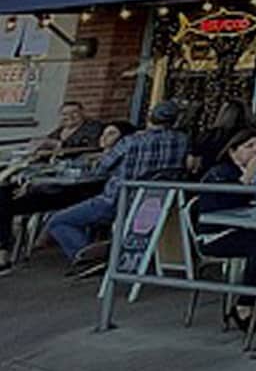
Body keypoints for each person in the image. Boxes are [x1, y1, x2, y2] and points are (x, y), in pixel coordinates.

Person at [47, 101, 189, 275]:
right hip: (155, 204)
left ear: (150, 117)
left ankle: (88, 257)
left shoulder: (131, 141)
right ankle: (98, 251)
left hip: (117, 200)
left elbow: (102, 168)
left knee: (58, 220)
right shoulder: (183, 140)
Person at [0, 119, 138, 275]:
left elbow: (94, 174)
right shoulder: (86, 154)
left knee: (58, 220)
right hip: (62, 192)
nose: (104, 138)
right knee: (5, 196)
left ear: (124, 139)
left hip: (87, 196)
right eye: (103, 133)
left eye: (111, 134)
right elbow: (62, 170)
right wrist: (31, 181)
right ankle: (3, 253)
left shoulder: (119, 157)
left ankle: (88, 257)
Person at [196, 130, 256, 330]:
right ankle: (245, 303)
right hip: (220, 234)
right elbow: (223, 208)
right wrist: (247, 177)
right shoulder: (220, 173)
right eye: (249, 146)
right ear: (233, 152)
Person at [188, 99, 252, 176]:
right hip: (239, 179)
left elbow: (191, 163)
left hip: (208, 179)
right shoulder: (249, 136)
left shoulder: (209, 135)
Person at [26, 102, 105, 157]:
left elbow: (91, 147)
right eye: (64, 114)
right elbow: (49, 140)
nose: (69, 116)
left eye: (74, 112)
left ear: (83, 113)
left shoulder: (92, 127)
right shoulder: (61, 129)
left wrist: (59, 144)